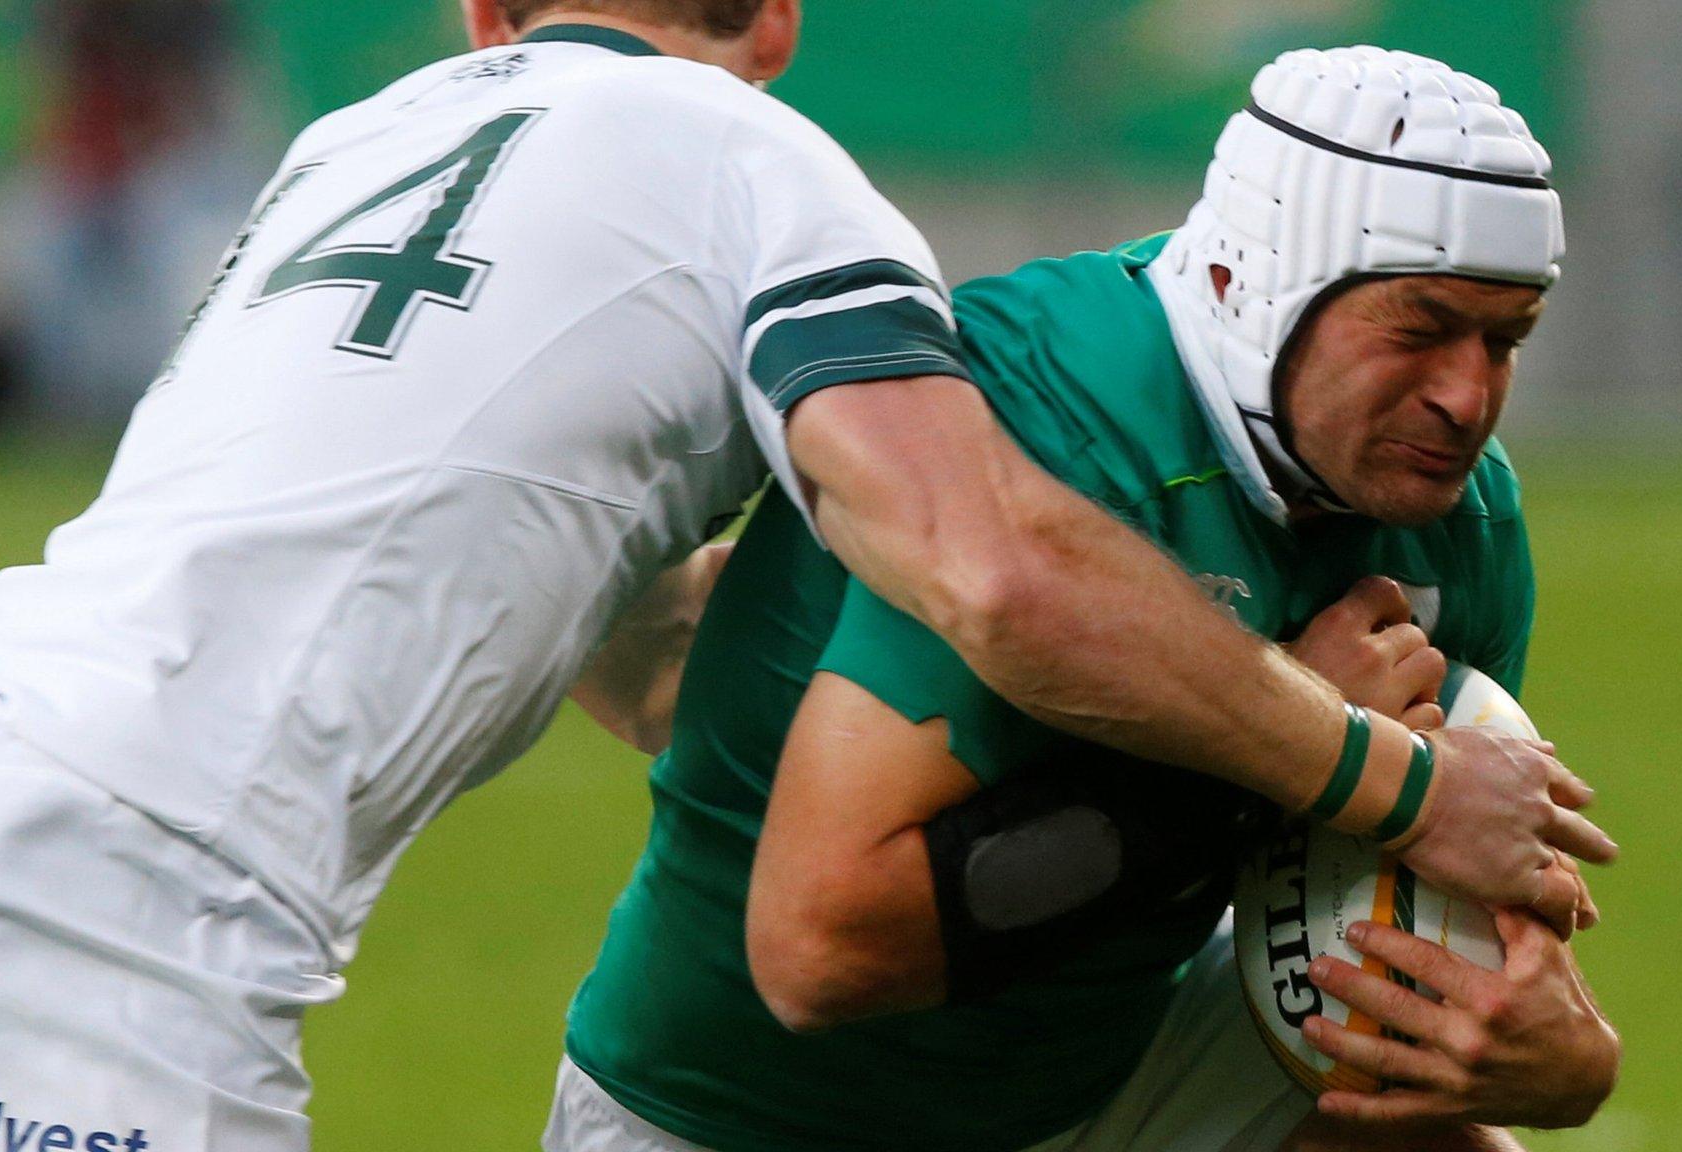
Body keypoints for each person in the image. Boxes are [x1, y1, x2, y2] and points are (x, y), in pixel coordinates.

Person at [0, 2, 1605, 1144]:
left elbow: (637, 644)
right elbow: (981, 555)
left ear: (490, 14)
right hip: (118, 890)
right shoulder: (754, 164)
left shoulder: (359, 141)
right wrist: (1375, 770)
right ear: (774, 25)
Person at [552, 47, 1619, 1152]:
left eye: (1503, 340)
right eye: (1417, 328)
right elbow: (820, 952)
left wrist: (1557, 1054)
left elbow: (1415, 909)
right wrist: (1288, 742)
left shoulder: (1457, 520)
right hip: (749, 1111)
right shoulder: (1041, 427)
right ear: (1238, 285)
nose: (1465, 397)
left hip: (1101, 1072)